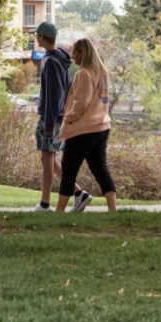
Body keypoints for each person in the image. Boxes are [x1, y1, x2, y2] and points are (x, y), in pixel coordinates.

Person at [33, 21, 89, 212]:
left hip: (51, 118)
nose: (36, 39)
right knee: (47, 158)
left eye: (36, 36)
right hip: (58, 117)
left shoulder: (50, 61)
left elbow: (52, 96)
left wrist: (48, 124)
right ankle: (79, 193)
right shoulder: (60, 60)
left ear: (42, 37)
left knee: (47, 159)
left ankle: (45, 203)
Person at [56, 39, 116, 212]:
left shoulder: (84, 74)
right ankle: (113, 209)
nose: (73, 56)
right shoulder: (102, 73)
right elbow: (103, 100)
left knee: (68, 170)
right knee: (100, 168)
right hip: (102, 126)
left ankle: (59, 211)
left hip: (83, 129)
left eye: (75, 52)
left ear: (84, 53)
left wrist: (68, 118)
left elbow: (81, 103)